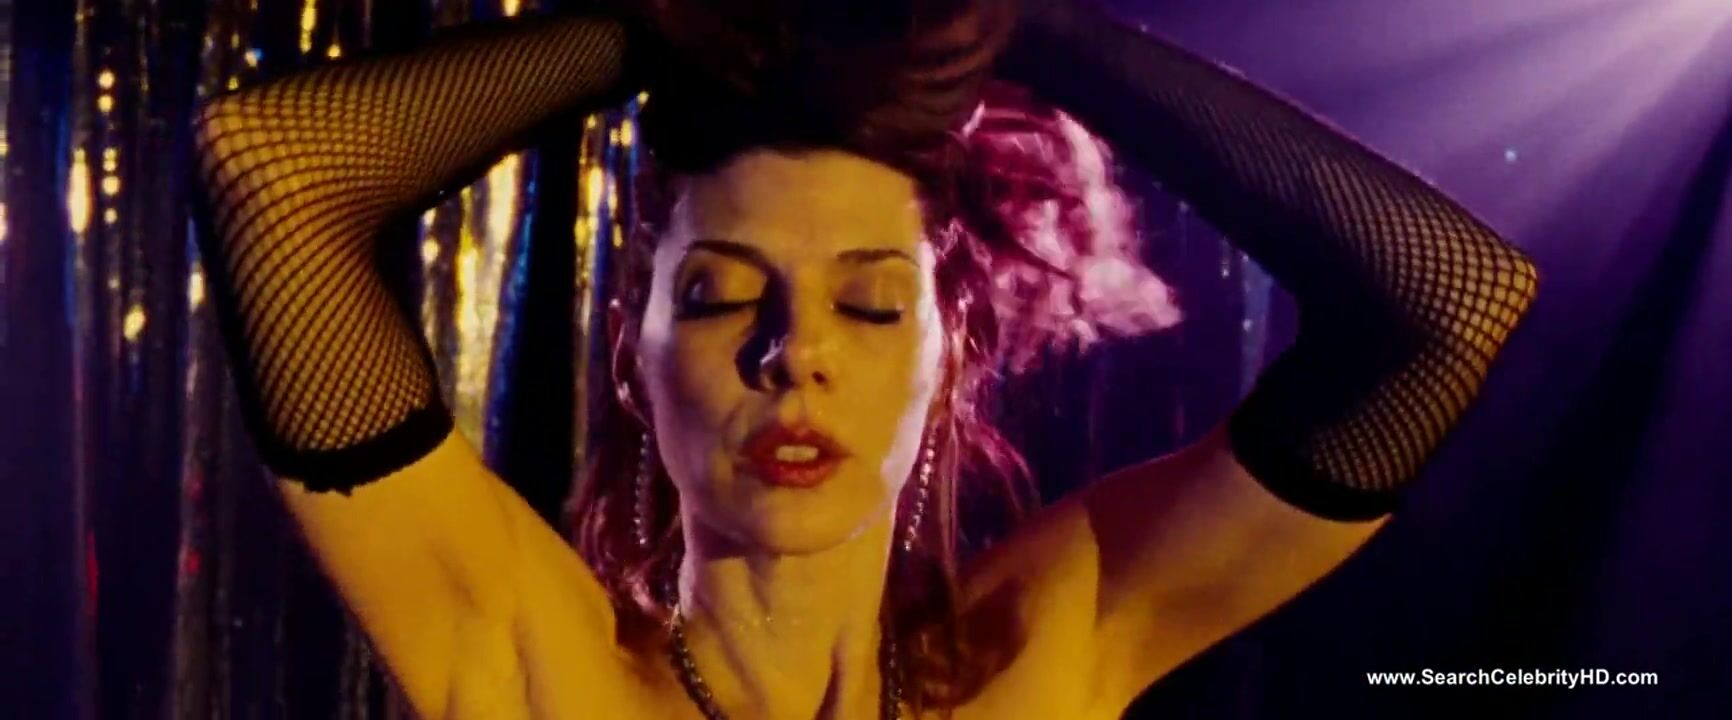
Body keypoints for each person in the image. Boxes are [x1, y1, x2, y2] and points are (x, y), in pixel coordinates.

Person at [190, 0, 1539, 717]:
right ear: (632, 357)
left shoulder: (1050, 653)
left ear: (949, 357)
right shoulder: (529, 670)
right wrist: (655, 24)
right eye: (721, 297)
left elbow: (1450, 298)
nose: (794, 357)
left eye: (873, 305)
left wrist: (1029, 27)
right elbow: (273, 169)